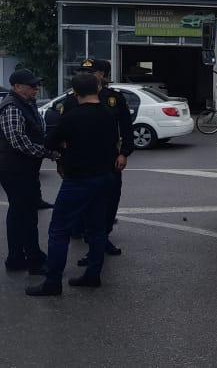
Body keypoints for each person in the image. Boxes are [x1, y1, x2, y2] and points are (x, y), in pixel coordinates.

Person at [27, 72, 119, 296]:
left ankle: (53, 282)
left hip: (78, 179)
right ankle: (93, 275)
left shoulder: (71, 117)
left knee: (59, 230)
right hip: (104, 178)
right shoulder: (108, 114)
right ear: (97, 89)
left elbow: (50, 142)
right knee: (97, 230)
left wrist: (65, 147)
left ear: (75, 93)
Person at [59, 58, 133, 262]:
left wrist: (124, 153)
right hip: (80, 164)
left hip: (110, 161)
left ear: (101, 75)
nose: (85, 75)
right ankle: (92, 247)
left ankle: (102, 239)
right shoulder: (73, 99)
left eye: (90, 72)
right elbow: (62, 133)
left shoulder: (114, 99)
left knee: (110, 203)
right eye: (82, 71)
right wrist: (62, 161)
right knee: (85, 206)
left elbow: (126, 128)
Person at [0, 69, 58, 274]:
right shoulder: (12, 107)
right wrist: (48, 153)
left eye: (36, 85)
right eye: (31, 86)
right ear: (17, 87)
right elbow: (18, 141)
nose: (36, 88)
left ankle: (17, 258)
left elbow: (38, 131)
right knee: (25, 214)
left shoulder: (27, 103)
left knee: (20, 212)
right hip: (14, 169)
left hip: (24, 168)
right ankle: (33, 259)